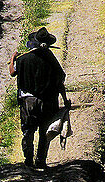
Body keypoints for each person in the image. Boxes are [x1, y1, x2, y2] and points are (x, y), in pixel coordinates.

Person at [9, 26, 69, 169]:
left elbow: (12, 72)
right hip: (48, 101)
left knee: (28, 131)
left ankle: (28, 161)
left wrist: (12, 59)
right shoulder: (51, 59)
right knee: (44, 131)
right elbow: (60, 82)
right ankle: (40, 161)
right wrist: (65, 100)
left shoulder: (23, 59)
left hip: (28, 102)